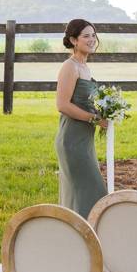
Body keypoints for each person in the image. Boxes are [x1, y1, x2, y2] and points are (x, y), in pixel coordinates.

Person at [55, 18, 107, 218]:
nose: (92, 39)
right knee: (92, 192)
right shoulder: (70, 67)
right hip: (71, 141)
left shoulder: (85, 67)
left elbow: (84, 102)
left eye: (93, 35)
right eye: (86, 36)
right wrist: (94, 119)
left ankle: (80, 237)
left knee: (83, 194)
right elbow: (62, 104)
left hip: (85, 140)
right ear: (74, 40)